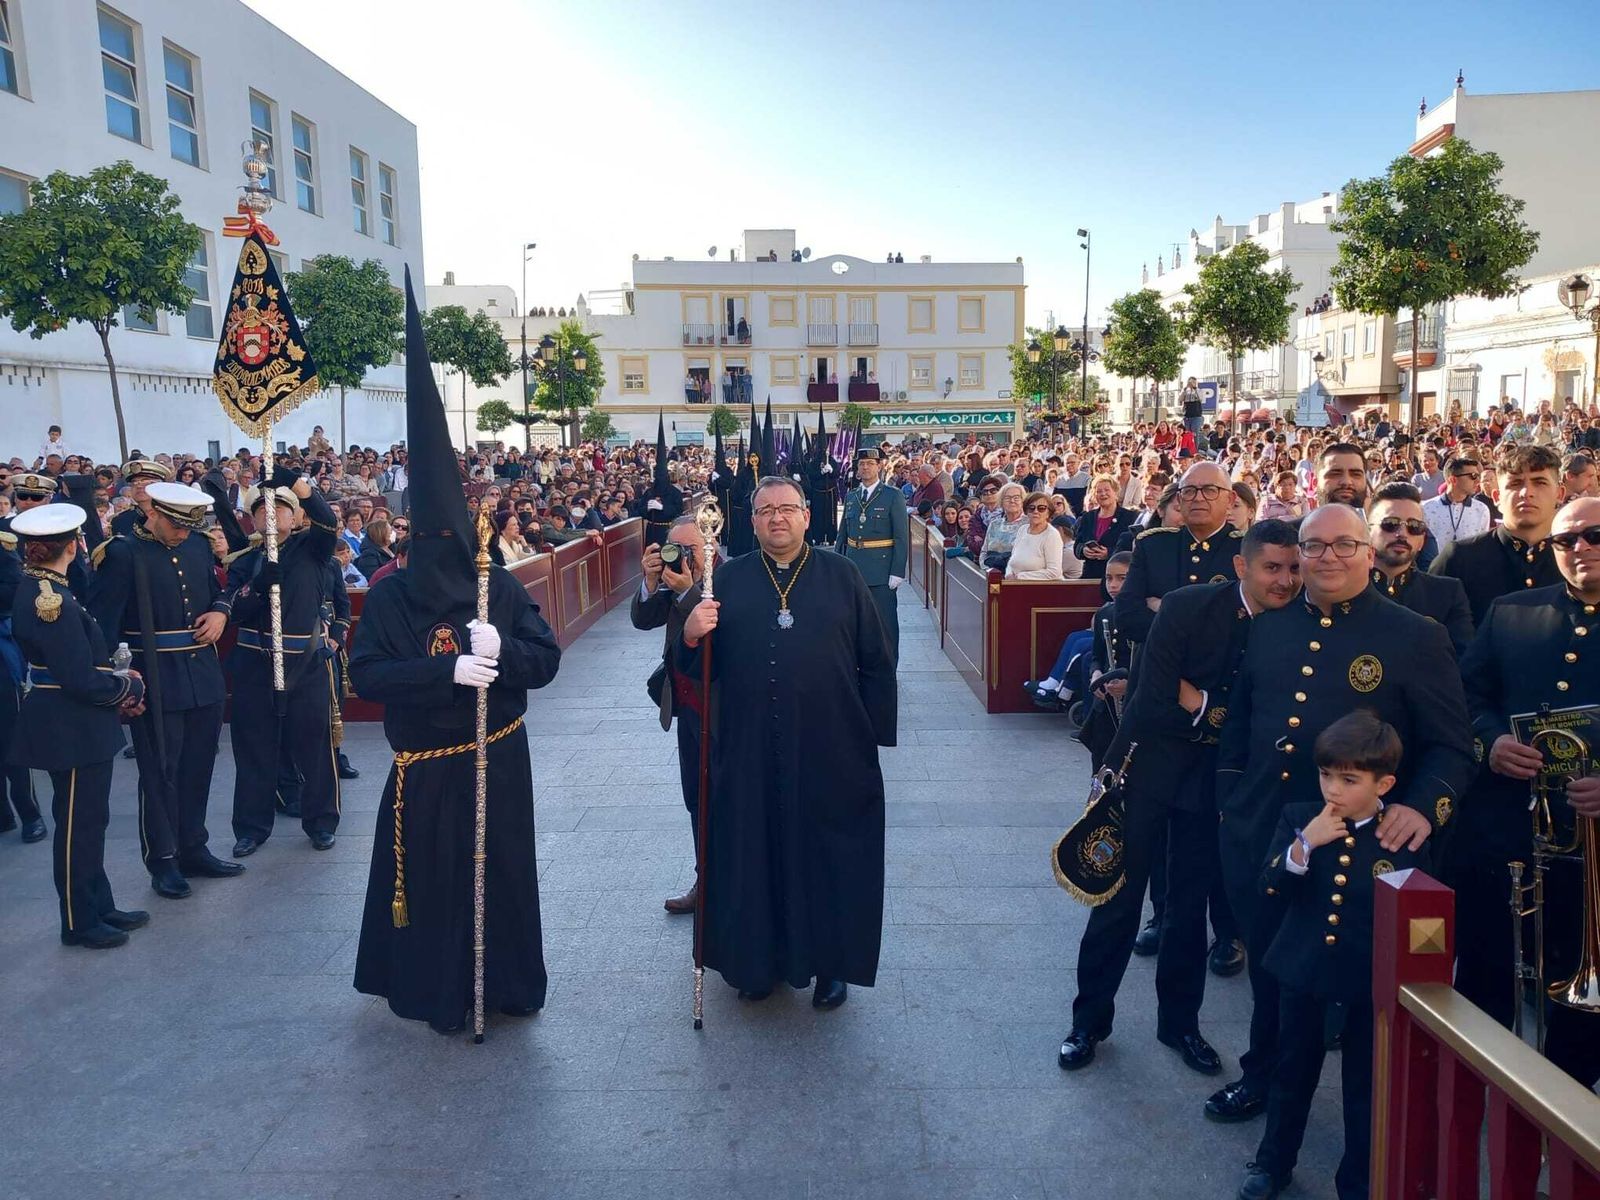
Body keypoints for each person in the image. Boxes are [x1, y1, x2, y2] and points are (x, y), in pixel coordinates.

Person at [1211, 503, 1474, 1125]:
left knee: (1358, 997)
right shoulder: (1270, 626)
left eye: (1343, 545)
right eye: (1314, 545)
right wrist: (1233, 804)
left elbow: (1453, 745)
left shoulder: (1414, 634)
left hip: (1363, 847)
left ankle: (1373, 1128)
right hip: (1274, 833)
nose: (1328, 556)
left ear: (1367, 551)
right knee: (1273, 969)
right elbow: (1241, 727)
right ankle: (1264, 1079)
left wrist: (1422, 808)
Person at [353, 274, 563, 1035]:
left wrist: (503, 652)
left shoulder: (496, 588)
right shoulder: (388, 598)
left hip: (497, 754)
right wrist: (444, 671)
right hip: (425, 769)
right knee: (435, 883)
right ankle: (436, 992)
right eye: (428, 543)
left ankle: (506, 985)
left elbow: (545, 662)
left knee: (502, 873)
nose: (442, 559)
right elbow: (366, 675)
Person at [1060, 521, 1303, 1077]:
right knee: (1117, 899)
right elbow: (1151, 699)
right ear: (1243, 567)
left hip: (1212, 785)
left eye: (1293, 568)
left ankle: (1181, 1025)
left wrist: (1202, 703)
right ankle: (1088, 1022)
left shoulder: (1295, 624)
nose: (1286, 580)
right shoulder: (1188, 607)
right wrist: (1212, 712)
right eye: (1272, 567)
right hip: (1146, 767)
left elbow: (1268, 715)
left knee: (1187, 911)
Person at [679, 476, 895, 1009]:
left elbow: (876, 661)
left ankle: (832, 967)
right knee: (754, 852)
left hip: (832, 746)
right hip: (749, 746)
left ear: (806, 516)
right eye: (766, 510)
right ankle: (757, 964)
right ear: (751, 521)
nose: (778, 518)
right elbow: (691, 674)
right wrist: (689, 633)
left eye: (788, 509)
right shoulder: (726, 580)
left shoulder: (841, 574)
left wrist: (870, 738)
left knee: (830, 855)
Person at [1237, 712, 1425, 1200]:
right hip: (1302, 970)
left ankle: (1359, 1180)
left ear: (1383, 782)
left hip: (1367, 980)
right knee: (1291, 1072)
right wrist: (1305, 846)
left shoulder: (1400, 834)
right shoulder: (1300, 817)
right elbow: (1268, 886)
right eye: (1326, 775)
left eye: (1349, 779)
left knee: (1365, 1088)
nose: (1333, 790)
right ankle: (1272, 1162)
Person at [1454, 494, 1600, 1088]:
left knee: (1577, 992)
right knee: (1487, 967)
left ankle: (1567, 1106)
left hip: (1590, 857)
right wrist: (1489, 742)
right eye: (1566, 541)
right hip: (1505, 833)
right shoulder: (1511, 613)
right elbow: (1465, 696)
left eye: (1595, 535)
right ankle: (1477, 1089)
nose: (1580, 548)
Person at [88, 481, 242, 898]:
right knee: (160, 772)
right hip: (154, 675)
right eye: (176, 525)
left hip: (202, 674)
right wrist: (119, 685)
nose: (182, 534)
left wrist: (221, 613)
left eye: (189, 527)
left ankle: (194, 846)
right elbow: (103, 625)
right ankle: (163, 858)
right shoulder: (121, 553)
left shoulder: (194, 545)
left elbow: (217, 593)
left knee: (198, 766)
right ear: (152, 512)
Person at [10, 503, 148, 949]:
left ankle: (98, 903)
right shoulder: (49, 599)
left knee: (92, 819)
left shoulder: (49, 588)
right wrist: (125, 687)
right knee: (76, 825)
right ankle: (77, 919)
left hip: (77, 722)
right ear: (73, 545)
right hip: (68, 723)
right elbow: (77, 677)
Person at [226, 478, 343, 857]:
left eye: (279, 509)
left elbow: (327, 521)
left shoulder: (312, 549)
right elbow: (233, 610)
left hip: (303, 663)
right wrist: (258, 586)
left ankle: (321, 822)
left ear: (295, 517)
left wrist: (297, 483)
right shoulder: (245, 560)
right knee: (254, 750)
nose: (271, 516)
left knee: (314, 748)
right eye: (262, 511)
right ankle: (251, 828)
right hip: (254, 664)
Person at [631, 517, 706, 914]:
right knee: (695, 797)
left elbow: (717, 629)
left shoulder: (730, 578)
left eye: (690, 549)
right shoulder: (672, 579)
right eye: (674, 547)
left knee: (726, 800)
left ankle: (732, 883)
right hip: (686, 709)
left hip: (726, 712)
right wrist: (649, 581)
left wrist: (690, 591)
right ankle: (704, 879)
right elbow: (643, 619)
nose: (682, 556)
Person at [1431, 444, 1564, 626]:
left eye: (1540, 482)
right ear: (1496, 497)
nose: (1527, 493)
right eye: (1515, 484)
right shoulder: (1460, 557)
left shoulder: (1577, 559)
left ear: (1560, 494)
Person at [1365, 481, 1473, 656]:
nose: (1402, 533)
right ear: (1367, 532)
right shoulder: (1345, 588)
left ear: (1422, 540)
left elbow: (1462, 661)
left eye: (1414, 527)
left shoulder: (1446, 594)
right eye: (1390, 524)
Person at [836, 447, 909, 665]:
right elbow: (843, 535)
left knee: (884, 623)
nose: (865, 467)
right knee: (855, 622)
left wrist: (897, 571)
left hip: (880, 572)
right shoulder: (851, 496)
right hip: (853, 569)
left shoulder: (892, 496)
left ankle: (888, 666)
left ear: (880, 466)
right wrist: (838, 566)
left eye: (870, 463)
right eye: (861, 464)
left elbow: (901, 537)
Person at [1073, 476, 1137, 581]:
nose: (1103, 494)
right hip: (1090, 576)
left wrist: (1110, 553)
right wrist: (1083, 550)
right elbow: (1077, 545)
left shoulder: (1130, 517)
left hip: (1118, 578)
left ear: (1115, 492)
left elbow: (1133, 548)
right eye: (1099, 491)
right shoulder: (1087, 517)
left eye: (1107, 490)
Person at [1421, 456, 1491, 550]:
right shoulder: (1427, 508)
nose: (1478, 481)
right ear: (1453, 480)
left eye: (1478, 476)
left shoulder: (1481, 510)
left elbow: (1482, 547)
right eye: (1473, 476)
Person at [1006, 492, 1067, 580]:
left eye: (1041, 508)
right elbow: (1012, 560)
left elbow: (1054, 572)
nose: (1036, 511)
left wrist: (1020, 577)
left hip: (1042, 589)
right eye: (1031, 508)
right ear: (1026, 511)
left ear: (1048, 513)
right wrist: (1008, 574)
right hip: (1016, 586)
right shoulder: (1022, 530)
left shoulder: (1052, 535)